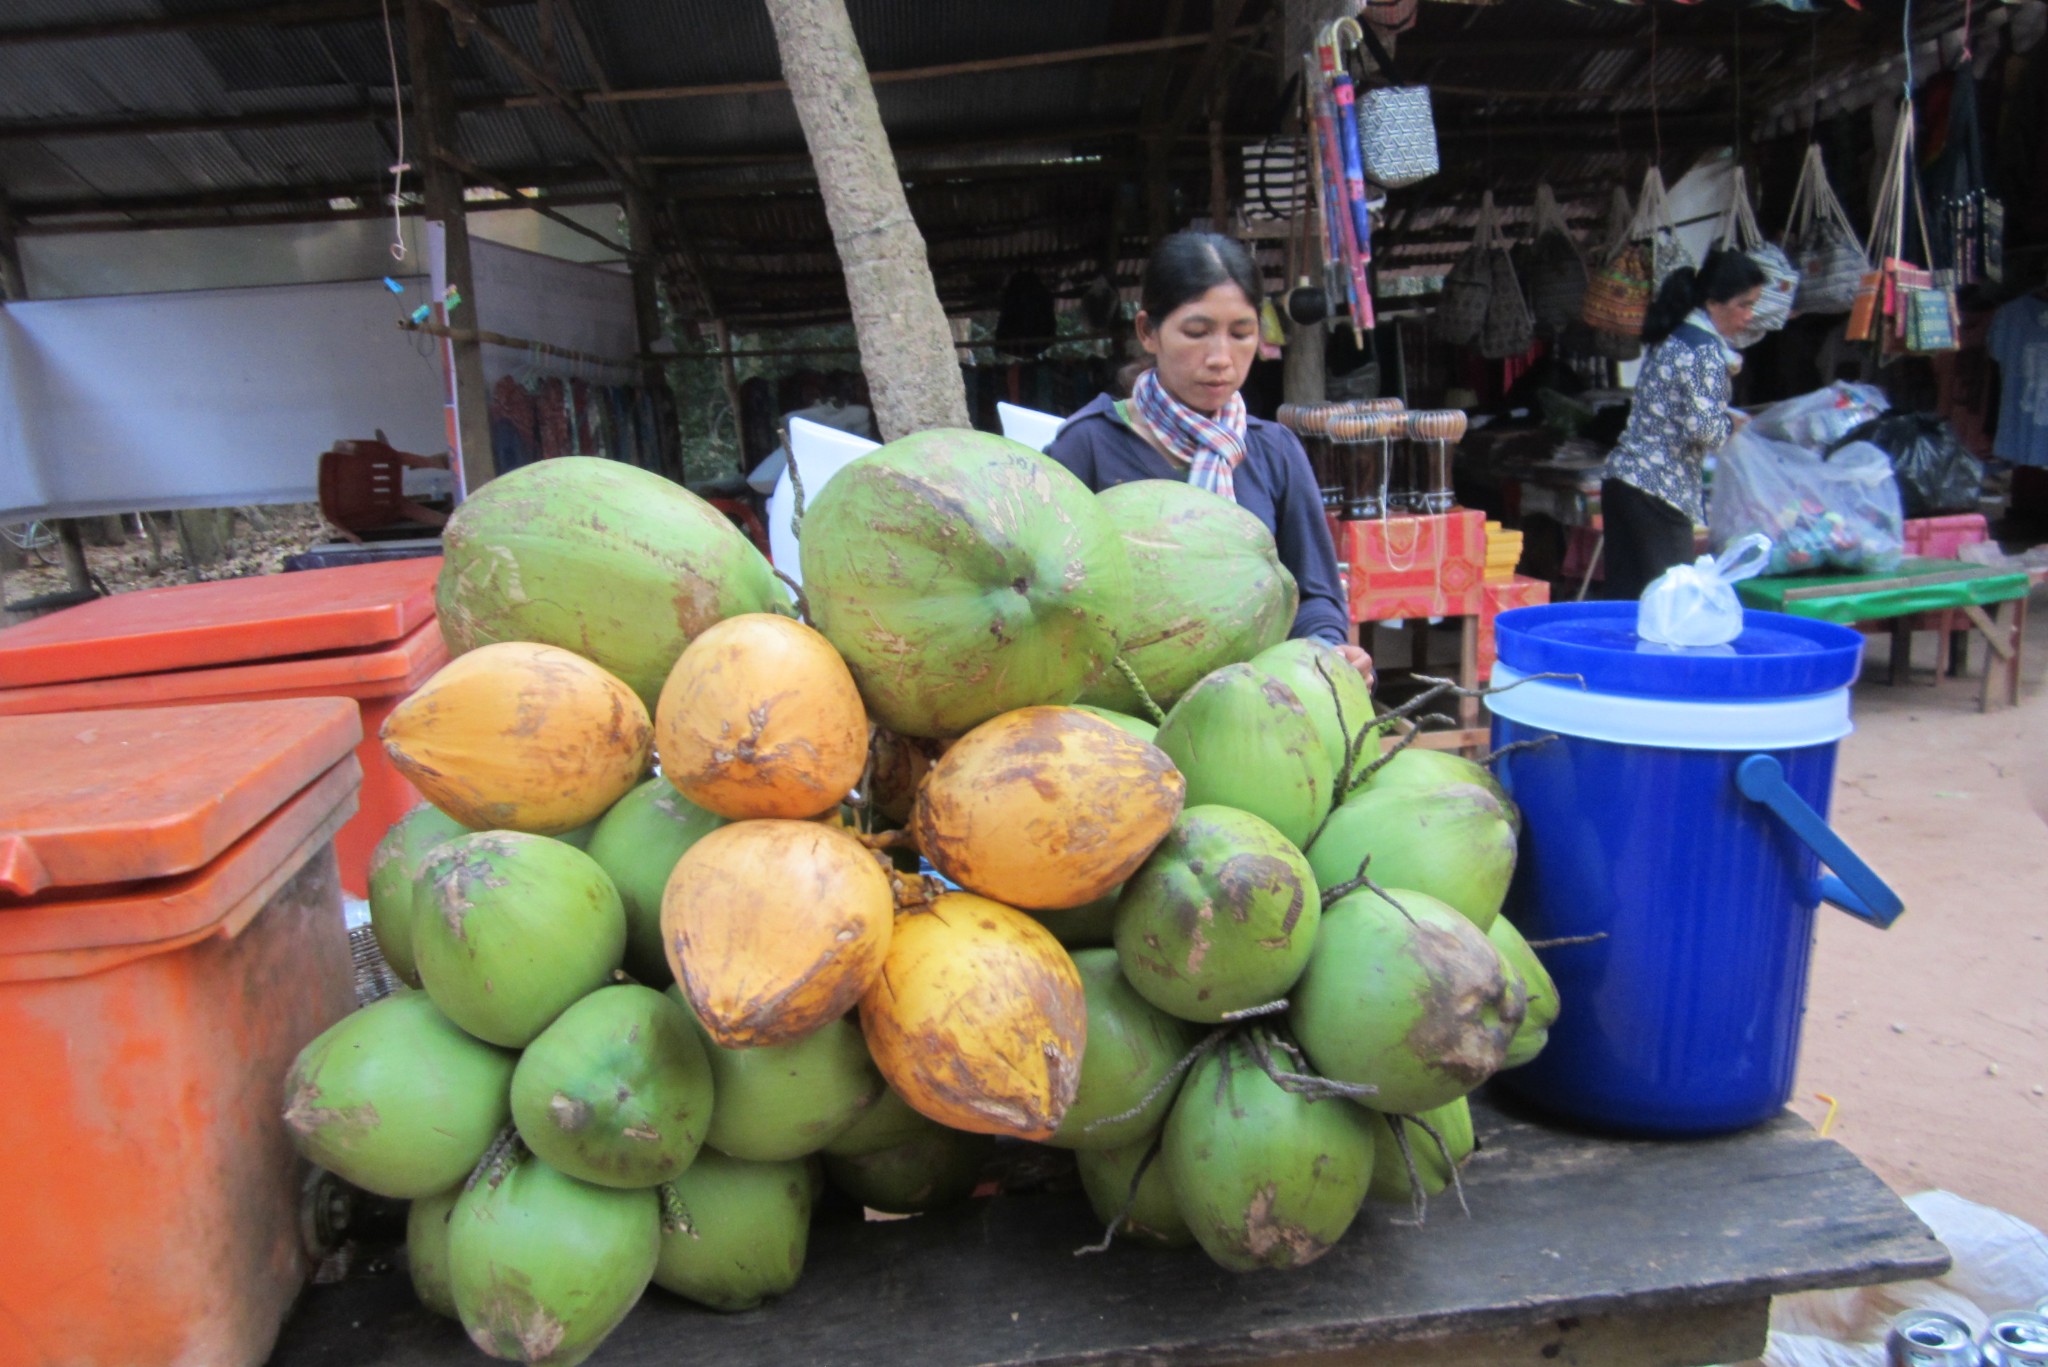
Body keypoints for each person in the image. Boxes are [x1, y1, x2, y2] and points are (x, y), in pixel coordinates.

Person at [1045, 231, 1373, 685]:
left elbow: (1314, 595)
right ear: (1148, 332)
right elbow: (1048, 598)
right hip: (1125, 707)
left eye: (1241, 334)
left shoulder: (1275, 451)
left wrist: (1328, 649)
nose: (1221, 358)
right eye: (1196, 333)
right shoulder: (1087, 448)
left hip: (1259, 703)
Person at [1601, 248, 1768, 601]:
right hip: (1660, 488)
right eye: (1744, 305)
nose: (1749, 317)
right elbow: (1705, 429)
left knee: (1627, 600)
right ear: (1713, 303)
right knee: (1671, 599)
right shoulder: (1703, 350)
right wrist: (1731, 424)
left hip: (1625, 480)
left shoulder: (1675, 336)